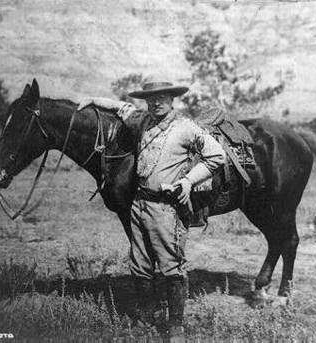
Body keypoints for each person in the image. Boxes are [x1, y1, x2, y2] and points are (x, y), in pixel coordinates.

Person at [77, 76, 225, 337]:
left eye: (161, 98)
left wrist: (189, 182)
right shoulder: (142, 121)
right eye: (150, 99)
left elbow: (217, 155)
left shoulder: (186, 128)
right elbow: (121, 108)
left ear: (171, 100)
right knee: (140, 264)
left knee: (172, 267)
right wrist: (92, 100)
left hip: (167, 209)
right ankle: (145, 321)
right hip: (139, 204)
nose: (156, 103)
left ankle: (176, 327)